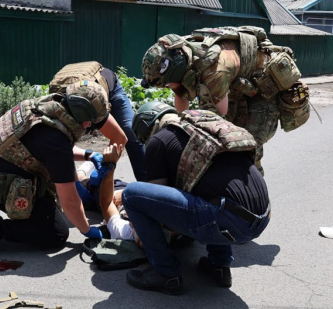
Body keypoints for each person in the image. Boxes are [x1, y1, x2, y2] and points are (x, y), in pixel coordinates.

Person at [122, 102, 271, 295]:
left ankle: (166, 274)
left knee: (131, 194)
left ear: (146, 129)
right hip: (263, 217)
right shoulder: (201, 129)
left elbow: (159, 211)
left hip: (228, 221)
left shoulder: (158, 141)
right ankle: (219, 265)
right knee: (213, 191)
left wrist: (140, 227)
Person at [140, 27, 310, 174]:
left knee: (245, 145)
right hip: (236, 86)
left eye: (168, 84)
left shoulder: (214, 70)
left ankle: (254, 196)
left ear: (176, 72)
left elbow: (216, 116)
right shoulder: (180, 52)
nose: (167, 88)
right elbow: (181, 101)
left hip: (262, 94)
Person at [0, 80, 111, 252]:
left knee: (52, 210)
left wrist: (88, 155)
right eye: (91, 121)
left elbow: (46, 148)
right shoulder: (56, 141)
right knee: (56, 234)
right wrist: (87, 230)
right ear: (83, 116)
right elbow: (70, 201)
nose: (90, 126)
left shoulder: (46, 109)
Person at [50, 62, 147, 181]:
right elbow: (61, 149)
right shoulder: (51, 113)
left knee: (130, 132)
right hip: (72, 82)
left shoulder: (91, 106)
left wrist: (106, 170)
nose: (89, 126)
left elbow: (120, 138)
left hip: (102, 85)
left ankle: (148, 185)